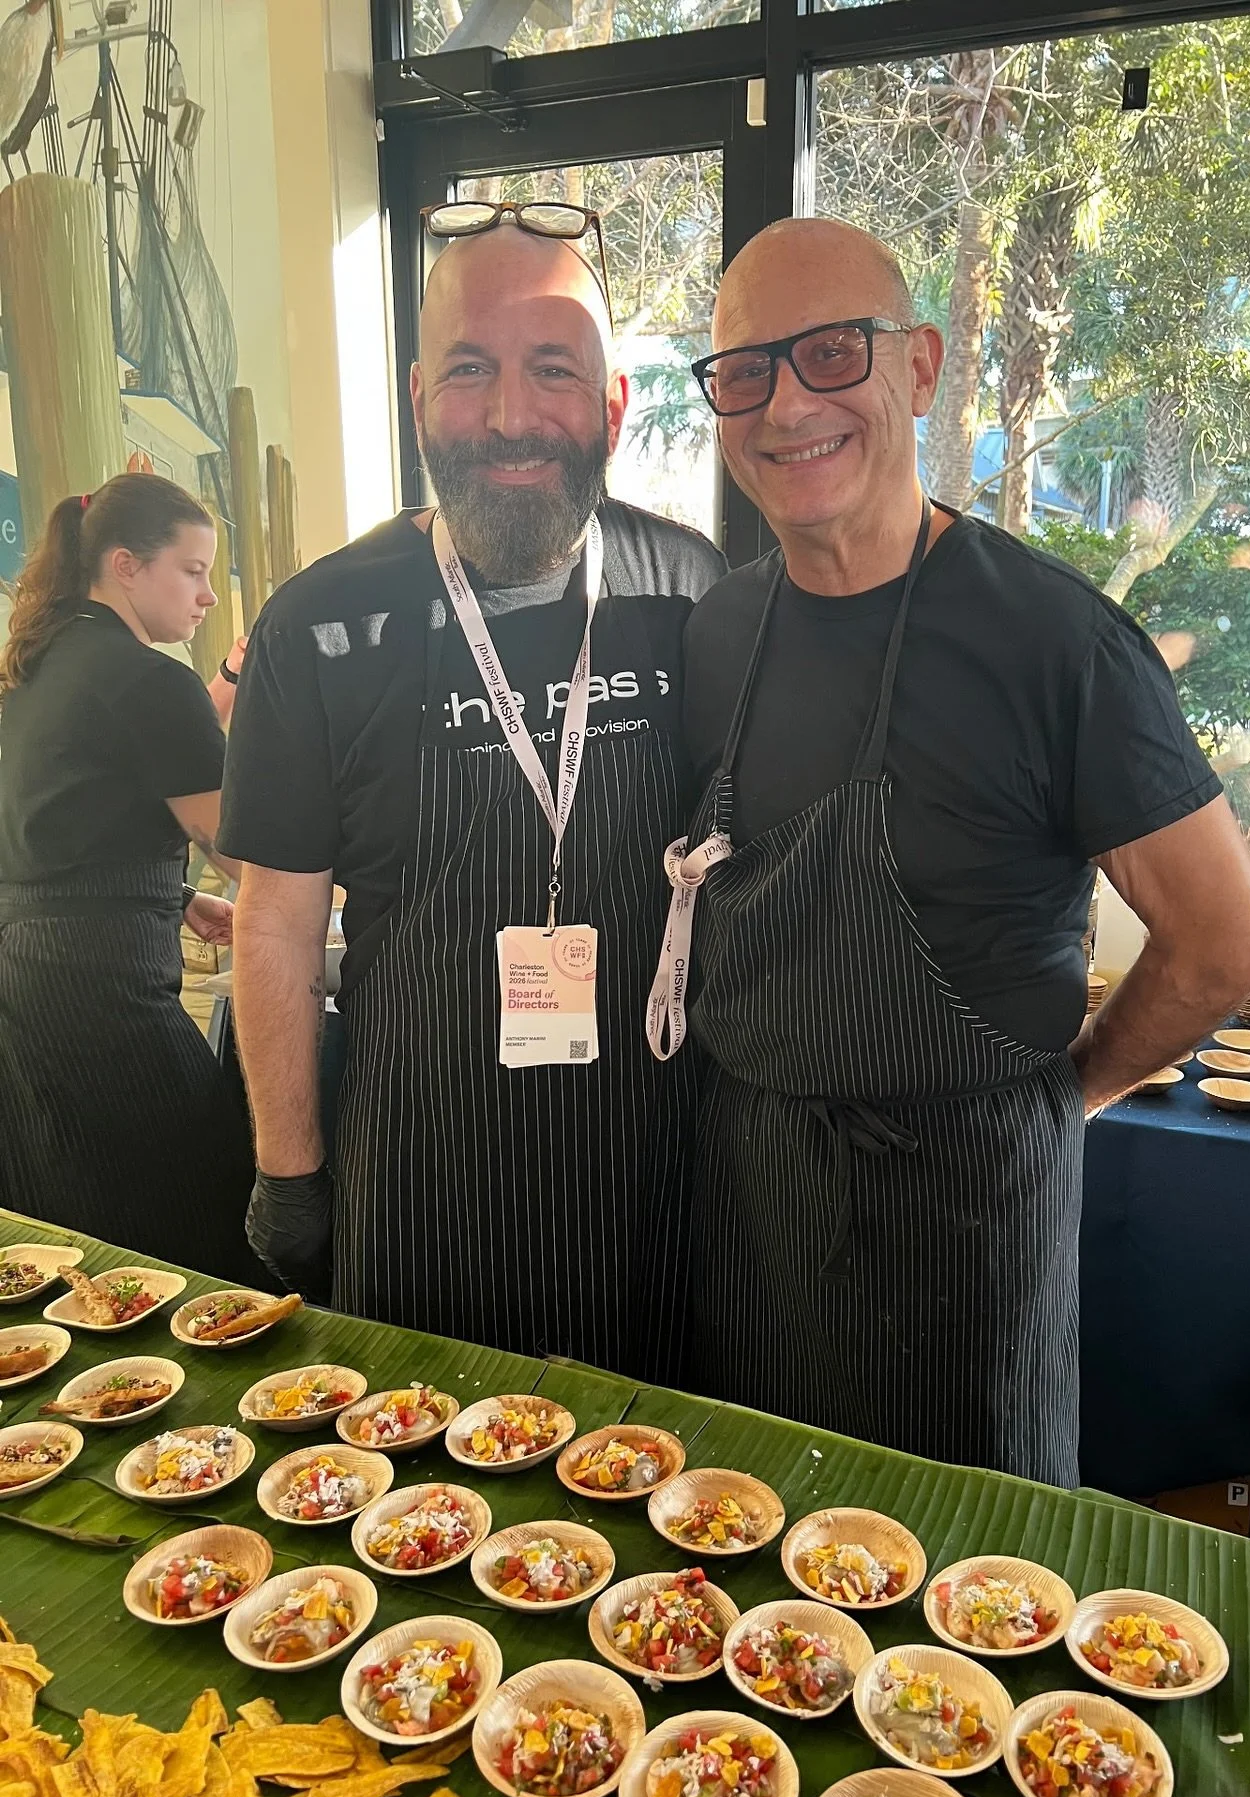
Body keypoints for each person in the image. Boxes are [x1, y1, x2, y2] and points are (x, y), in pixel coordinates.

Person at [654, 218, 1250, 1485]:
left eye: (833, 352)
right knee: (743, 1555)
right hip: (752, 1211)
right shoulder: (717, 633)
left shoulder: (1055, 643)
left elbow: (1229, 941)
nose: (787, 405)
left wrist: (1065, 1095)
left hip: (966, 1231)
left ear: (922, 366)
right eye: (746, 371)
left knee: (967, 1579)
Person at [219, 205, 724, 1373]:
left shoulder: (691, 589)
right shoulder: (319, 624)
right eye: (467, 370)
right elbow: (277, 924)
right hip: (421, 1189)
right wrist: (289, 1174)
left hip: (659, 1187)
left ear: (612, 406)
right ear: (416, 399)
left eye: (553, 369)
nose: (509, 415)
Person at [0, 473, 258, 1275]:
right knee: (206, 1203)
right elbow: (244, 852)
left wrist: (171, 896)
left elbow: (57, 833)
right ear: (125, 565)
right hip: (95, 990)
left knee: (72, 1220)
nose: (208, 595)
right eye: (192, 570)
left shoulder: (31, 675)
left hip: (23, 983)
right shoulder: (148, 678)